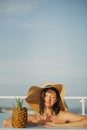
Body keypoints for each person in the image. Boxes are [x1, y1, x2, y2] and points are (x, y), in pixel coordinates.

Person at [3, 83, 87, 128]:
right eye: (46, 95)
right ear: (41, 98)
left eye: (52, 97)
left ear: (57, 100)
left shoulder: (62, 115)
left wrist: (60, 125)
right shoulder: (34, 118)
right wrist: (30, 123)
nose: (48, 99)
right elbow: (6, 122)